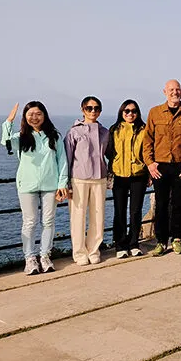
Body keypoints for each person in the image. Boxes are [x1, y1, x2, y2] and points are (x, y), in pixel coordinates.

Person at [1, 101, 69, 275]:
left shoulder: (54, 136)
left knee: (48, 221)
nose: (34, 117)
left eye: (38, 113)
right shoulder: (20, 137)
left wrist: (62, 184)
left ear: (44, 115)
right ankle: (30, 258)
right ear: (25, 117)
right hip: (27, 184)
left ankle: (45, 255)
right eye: (30, 114)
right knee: (29, 222)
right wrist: (8, 121)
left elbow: (62, 161)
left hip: (50, 185)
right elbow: (6, 141)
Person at [143, 79, 181, 256]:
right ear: (164, 92)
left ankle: (177, 239)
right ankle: (161, 241)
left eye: (177, 89)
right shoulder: (155, 112)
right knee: (160, 205)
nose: (174, 92)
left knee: (178, 204)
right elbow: (147, 141)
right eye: (171, 90)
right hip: (160, 166)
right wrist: (150, 163)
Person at [65, 96, 110, 266]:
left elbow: (110, 154)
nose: (93, 111)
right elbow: (67, 158)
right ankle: (79, 252)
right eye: (89, 108)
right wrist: (66, 183)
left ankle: (93, 250)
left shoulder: (105, 132)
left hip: (100, 178)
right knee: (78, 216)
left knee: (98, 216)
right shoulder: (74, 132)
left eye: (96, 108)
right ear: (83, 110)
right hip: (78, 179)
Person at [106, 99, 149, 258]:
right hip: (119, 175)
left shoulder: (144, 129)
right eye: (127, 111)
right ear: (121, 112)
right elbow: (109, 151)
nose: (130, 114)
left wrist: (148, 171)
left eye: (134, 111)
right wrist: (116, 162)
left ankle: (134, 243)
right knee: (119, 211)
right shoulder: (114, 129)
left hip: (139, 175)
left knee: (136, 211)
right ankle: (120, 245)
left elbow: (148, 151)